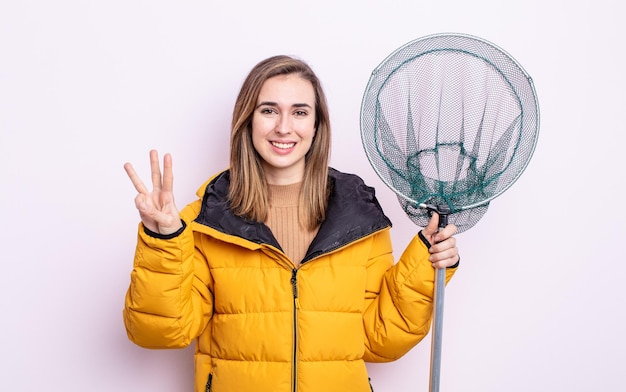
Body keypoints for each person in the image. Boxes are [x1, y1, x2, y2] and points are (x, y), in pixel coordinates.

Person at [122, 55, 460, 392]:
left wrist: (425, 265)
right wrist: (163, 239)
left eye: (300, 112)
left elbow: (379, 340)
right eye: (268, 110)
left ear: (316, 125)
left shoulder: (359, 217)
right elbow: (161, 332)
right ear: (248, 121)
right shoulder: (205, 220)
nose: (284, 127)